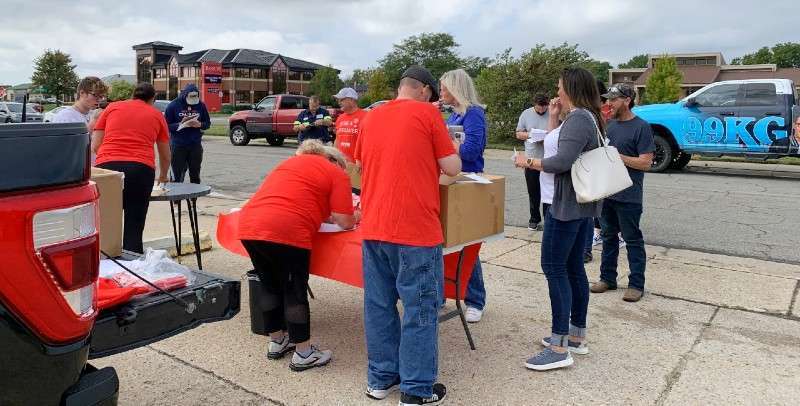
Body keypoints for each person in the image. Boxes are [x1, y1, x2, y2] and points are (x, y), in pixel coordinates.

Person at [355, 65, 461, 405]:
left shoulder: (371, 117)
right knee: (420, 309)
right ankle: (416, 390)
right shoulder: (428, 115)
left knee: (379, 306)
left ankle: (381, 379)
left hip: (373, 228)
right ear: (426, 91)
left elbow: (361, 164)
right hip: (415, 231)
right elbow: (453, 168)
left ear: (401, 87)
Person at [237, 140, 358, 371]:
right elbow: (344, 221)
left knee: (269, 285)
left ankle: (277, 341)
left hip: (250, 226)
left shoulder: (288, 166)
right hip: (287, 231)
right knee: (295, 290)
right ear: (333, 161)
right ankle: (303, 353)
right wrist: (357, 216)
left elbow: (305, 203)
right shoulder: (334, 172)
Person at [514, 67, 603, 371]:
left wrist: (529, 162)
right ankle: (575, 337)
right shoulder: (586, 116)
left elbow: (561, 162)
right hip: (577, 205)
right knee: (573, 267)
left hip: (565, 206)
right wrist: (554, 118)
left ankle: (558, 346)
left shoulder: (579, 118)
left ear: (572, 89)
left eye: (561, 87)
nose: (558, 91)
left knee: (554, 267)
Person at [590, 83, 655, 303]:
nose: (609, 103)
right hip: (608, 193)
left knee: (632, 239)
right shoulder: (610, 125)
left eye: (614, 99)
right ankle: (607, 278)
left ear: (627, 100)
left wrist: (619, 156)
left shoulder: (641, 127)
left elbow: (646, 162)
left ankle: (636, 284)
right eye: (608, 99)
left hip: (629, 196)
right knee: (608, 237)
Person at [92, 83, 171, 254]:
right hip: (140, 169)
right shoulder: (156, 115)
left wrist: (109, 159)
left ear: (133, 95)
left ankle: (102, 265)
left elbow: (96, 144)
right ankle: (132, 265)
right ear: (153, 99)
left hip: (107, 169)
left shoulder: (112, 107)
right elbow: (165, 154)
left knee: (105, 221)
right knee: (134, 222)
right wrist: (163, 176)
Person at [440, 68, 489, 323]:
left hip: (468, 182)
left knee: (466, 244)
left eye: (444, 88)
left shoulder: (474, 114)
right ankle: (441, 294)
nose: (441, 92)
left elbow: (471, 150)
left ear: (456, 88)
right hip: (451, 179)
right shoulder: (453, 115)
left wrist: (445, 143)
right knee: (445, 242)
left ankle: (475, 299)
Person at [515, 94, 550, 230]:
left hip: (547, 158)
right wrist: (531, 135)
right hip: (531, 158)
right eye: (538, 108)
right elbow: (518, 133)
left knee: (548, 191)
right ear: (534, 104)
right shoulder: (526, 114)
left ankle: (548, 219)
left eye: (544, 107)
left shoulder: (553, 114)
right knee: (533, 191)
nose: (541, 111)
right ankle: (534, 218)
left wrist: (546, 137)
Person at [165, 84, 211, 184]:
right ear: (185, 95)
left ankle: (193, 198)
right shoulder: (173, 105)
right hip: (178, 145)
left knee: (195, 174)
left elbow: (207, 123)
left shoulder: (201, 105)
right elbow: (165, 126)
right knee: (177, 175)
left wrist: (200, 124)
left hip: (195, 144)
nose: (192, 102)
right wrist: (180, 124)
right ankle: (176, 198)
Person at [332, 87, 367, 163]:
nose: (339, 102)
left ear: (352, 100)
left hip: (358, 166)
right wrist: (334, 156)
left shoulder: (366, 117)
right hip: (342, 164)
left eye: (341, 99)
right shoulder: (340, 118)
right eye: (338, 100)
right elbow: (337, 139)